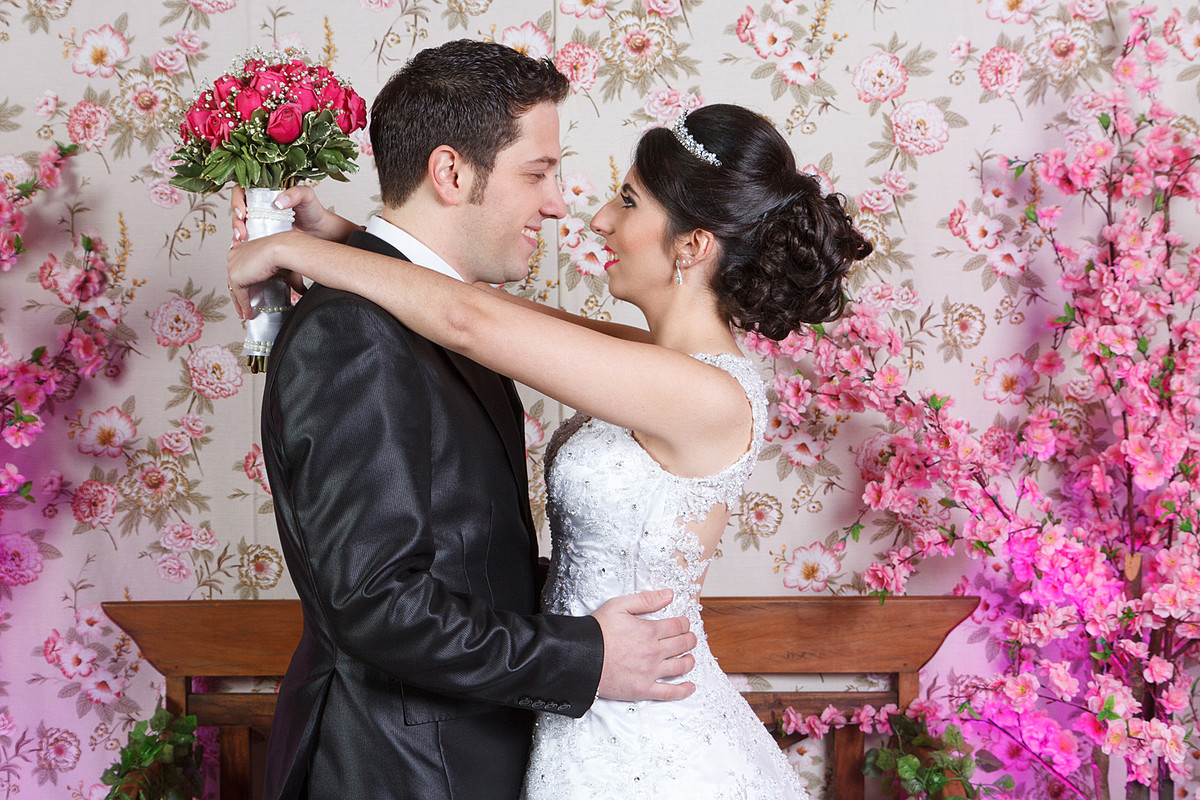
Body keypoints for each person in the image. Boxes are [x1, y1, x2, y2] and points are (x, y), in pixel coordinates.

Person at [230, 102, 871, 799]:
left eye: (628, 201)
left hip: (638, 729)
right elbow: (501, 315)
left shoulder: (708, 395)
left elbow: (469, 321)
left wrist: (291, 250)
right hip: (570, 695)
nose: (597, 219)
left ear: (692, 246)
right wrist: (350, 236)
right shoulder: (656, 361)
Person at [239, 40, 700, 800]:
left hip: (470, 749)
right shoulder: (354, 332)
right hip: (407, 768)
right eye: (538, 173)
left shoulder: (448, 314)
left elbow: (468, 556)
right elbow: (378, 602)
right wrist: (584, 658)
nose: (558, 204)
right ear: (451, 172)